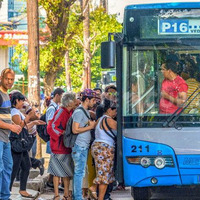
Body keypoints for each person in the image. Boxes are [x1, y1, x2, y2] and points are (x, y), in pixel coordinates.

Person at [9, 92, 45, 198]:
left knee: (26, 165)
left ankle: (22, 189)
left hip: (21, 143)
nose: (23, 104)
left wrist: (34, 123)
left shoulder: (17, 111)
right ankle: (7, 190)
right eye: (21, 101)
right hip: (16, 143)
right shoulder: (14, 112)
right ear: (17, 101)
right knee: (15, 168)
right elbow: (19, 127)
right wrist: (28, 117)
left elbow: (23, 126)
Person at [47, 92, 77, 200]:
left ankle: (66, 194)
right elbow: (51, 127)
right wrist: (62, 132)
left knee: (66, 172)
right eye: (74, 100)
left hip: (66, 147)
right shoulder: (61, 112)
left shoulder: (70, 112)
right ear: (69, 102)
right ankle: (56, 195)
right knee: (56, 172)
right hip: (58, 147)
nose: (75, 102)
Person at [0, 68, 22, 200]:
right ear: (1, 78)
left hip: (5, 138)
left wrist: (14, 126)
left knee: (8, 167)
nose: (9, 82)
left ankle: (5, 196)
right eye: (7, 79)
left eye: (12, 79)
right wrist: (11, 127)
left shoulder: (6, 95)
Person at [72, 89, 97, 200]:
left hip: (83, 146)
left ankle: (77, 196)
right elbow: (75, 129)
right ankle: (77, 197)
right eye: (93, 100)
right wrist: (91, 127)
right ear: (86, 99)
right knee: (79, 173)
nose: (94, 102)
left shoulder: (85, 111)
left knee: (80, 172)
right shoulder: (78, 112)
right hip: (79, 146)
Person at [91, 99, 117, 200]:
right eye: (115, 111)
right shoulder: (109, 120)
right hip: (105, 149)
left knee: (103, 174)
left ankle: (94, 189)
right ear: (110, 110)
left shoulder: (100, 119)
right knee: (104, 177)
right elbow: (122, 130)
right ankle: (99, 196)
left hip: (97, 147)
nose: (115, 114)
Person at [46, 88, 65, 188]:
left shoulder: (56, 106)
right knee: (55, 161)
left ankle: (51, 181)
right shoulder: (52, 108)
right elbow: (50, 125)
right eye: (62, 96)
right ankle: (52, 182)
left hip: (56, 138)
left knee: (54, 161)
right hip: (54, 138)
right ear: (57, 95)